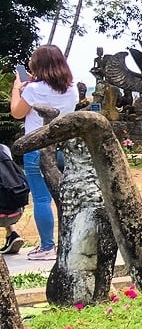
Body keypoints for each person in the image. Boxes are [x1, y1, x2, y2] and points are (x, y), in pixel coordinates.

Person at [9, 44, 78, 260]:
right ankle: (70, 245)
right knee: (66, 198)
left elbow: (17, 113)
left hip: (37, 148)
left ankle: (47, 247)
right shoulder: (71, 89)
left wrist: (16, 88)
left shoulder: (32, 89)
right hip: (63, 148)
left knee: (41, 198)